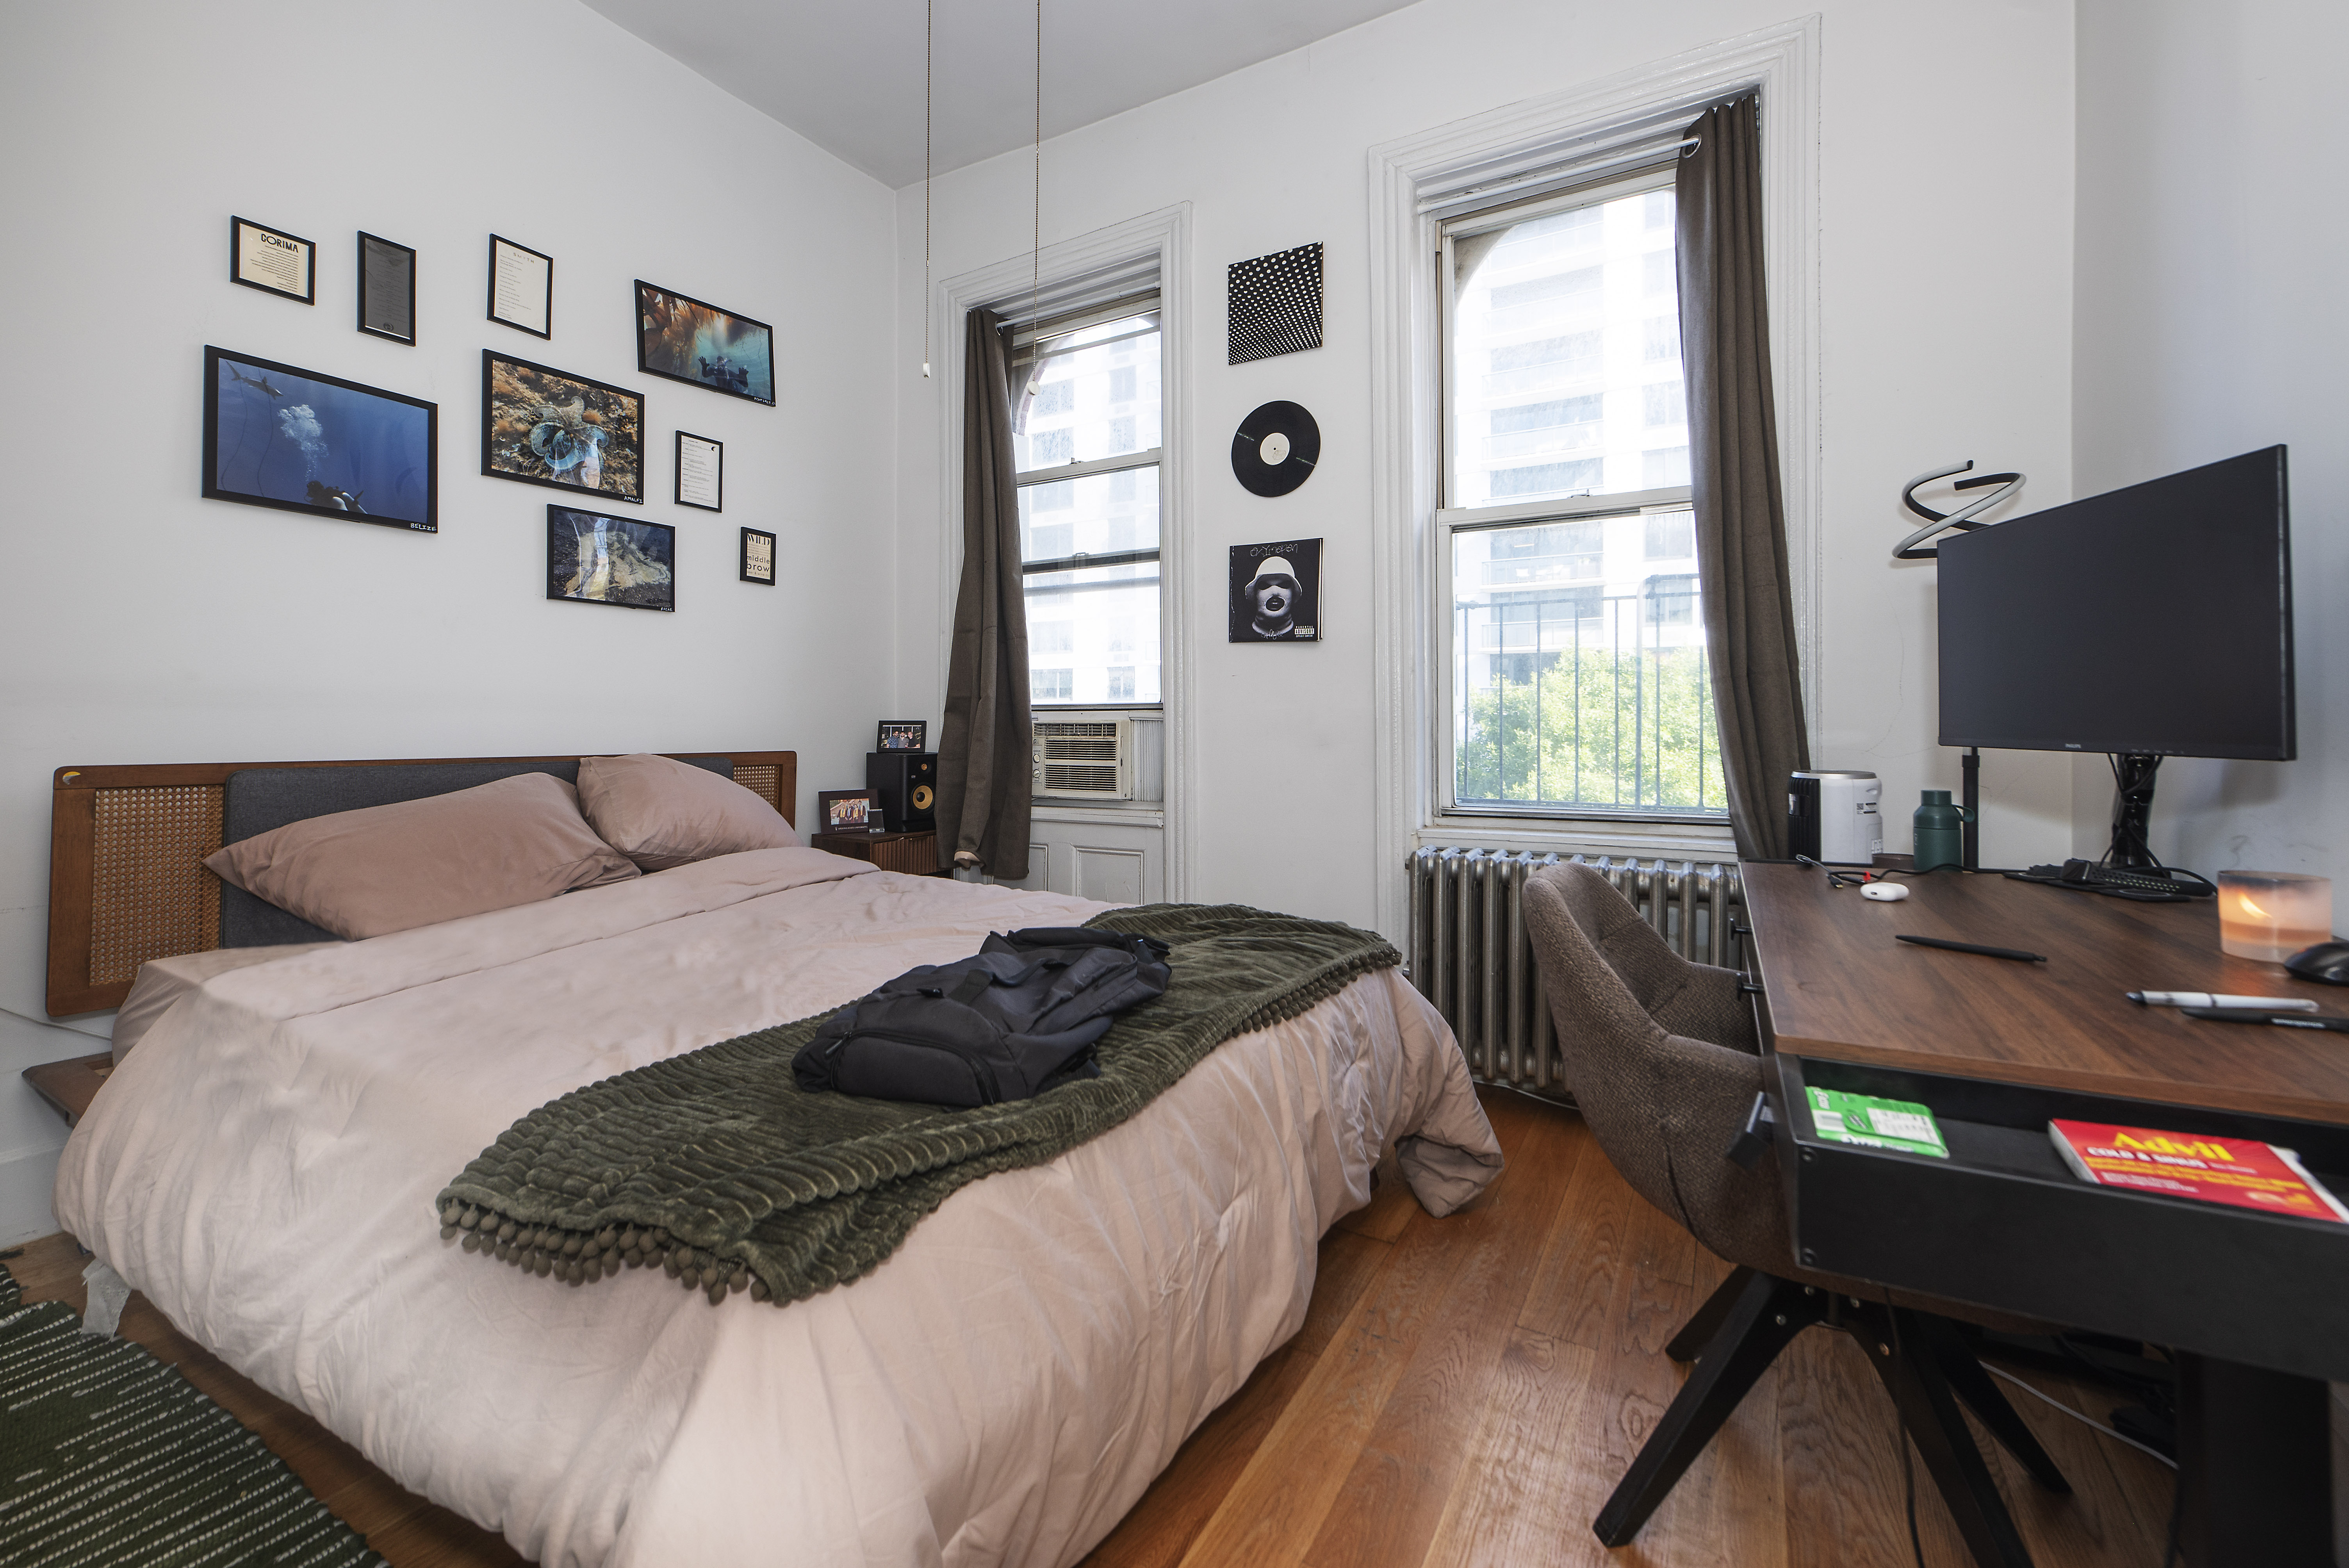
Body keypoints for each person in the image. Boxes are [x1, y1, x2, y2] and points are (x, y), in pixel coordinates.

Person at [1241, 556, 1307, 639]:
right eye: (1265, 586)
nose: (1275, 592)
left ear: (1293, 593)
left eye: (1284, 585)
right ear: (1255, 594)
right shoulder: (1241, 635)